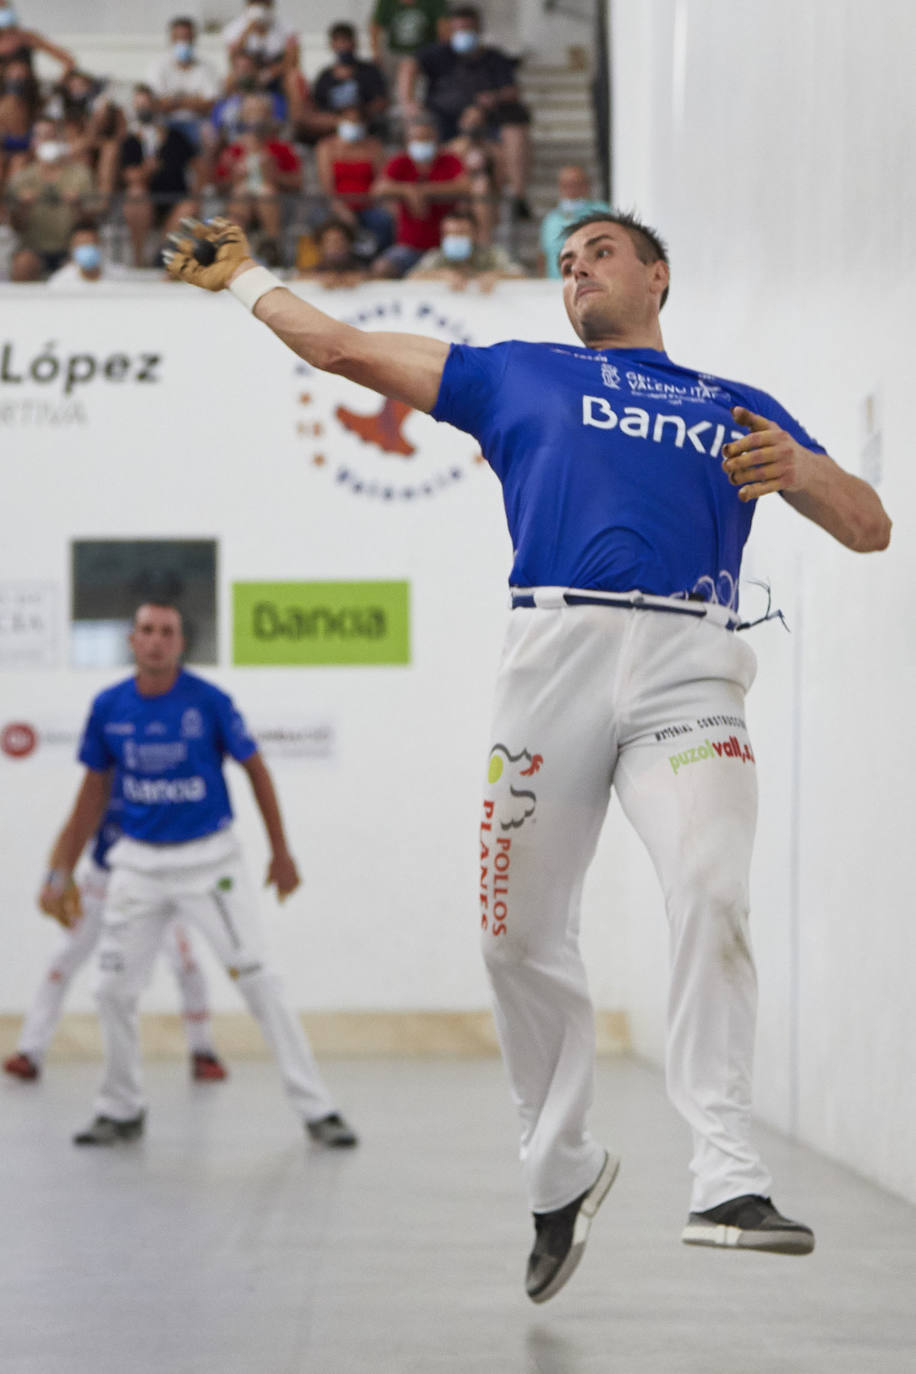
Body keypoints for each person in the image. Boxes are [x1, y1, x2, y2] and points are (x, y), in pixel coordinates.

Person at [164, 211, 890, 1296]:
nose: (576, 271)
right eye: (562, 263)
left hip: (692, 666)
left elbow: (868, 523)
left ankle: (727, 1177)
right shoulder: (518, 375)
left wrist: (800, 468)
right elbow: (341, 348)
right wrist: (244, 280)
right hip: (552, 657)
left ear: (656, 275)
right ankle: (560, 1176)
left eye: (597, 253)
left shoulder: (732, 404)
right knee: (516, 938)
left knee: (711, 889)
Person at [39, 600, 357, 1151]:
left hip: (211, 863)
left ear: (180, 644)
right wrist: (60, 870)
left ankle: (317, 1108)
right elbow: (92, 794)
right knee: (110, 988)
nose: (156, 640)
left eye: (167, 632)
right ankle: (120, 1109)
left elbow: (256, 770)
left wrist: (281, 853)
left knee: (259, 979)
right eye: (146, 631)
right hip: (136, 865)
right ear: (132, 641)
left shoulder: (209, 702)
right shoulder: (109, 706)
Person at [5, 783, 228, 1083]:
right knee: (61, 961)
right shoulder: (105, 783)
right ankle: (29, 1052)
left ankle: (203, 1051)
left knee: (188, 965)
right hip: (101, 885)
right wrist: (54, 879)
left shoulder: (167, 790)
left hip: (153, 889)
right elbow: (72, 832)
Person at [400, 4, 531, 216]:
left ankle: (515, 200)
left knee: (499, 156)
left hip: (488, 132)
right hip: (447, 128)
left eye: (467, 29)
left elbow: (512, 90)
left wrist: (487, 102)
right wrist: (408, 102)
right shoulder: (438, 55)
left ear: (478, 30)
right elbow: (409, 64)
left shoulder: (494, 58)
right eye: (458, 29)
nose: (462, 34)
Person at [370, 113, 468, 278]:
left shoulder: (449, 160)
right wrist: (408, 190)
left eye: (426, 138)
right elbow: (378, 189)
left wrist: (425, 191)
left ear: (435, 139)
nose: (421, 143)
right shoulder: (401, 162)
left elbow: (465, 186)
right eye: (417, 138)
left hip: (443, 249)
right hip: (410, 247)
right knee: (381, 268)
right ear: (409, 140)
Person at [214, 92, 302, 265]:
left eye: (259, 112)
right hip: (241, 203)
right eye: (250, 112)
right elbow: (219, 185)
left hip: (278, 204)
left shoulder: (281, 149)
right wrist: (234, 176)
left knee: (266, 193)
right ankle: (233, 254)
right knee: (241, 193)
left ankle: (273, 248)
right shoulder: (233, 150)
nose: (255, 118)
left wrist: (274, 175)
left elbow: (297, 182)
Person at [6, 117, 98, 280]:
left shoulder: (80, 174)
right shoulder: (21, 178)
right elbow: (15, 226)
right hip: (34, 248)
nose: (46, 140)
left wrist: (78, 206)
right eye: (41, 136)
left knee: (87, 246)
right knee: (23, 263)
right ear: (33, 142)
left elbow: (91, 220)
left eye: (51, 135)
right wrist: (23, 207)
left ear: (60, 140)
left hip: (69, 246)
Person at [117, 85, 198, 268]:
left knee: (189, 206)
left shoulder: (176, 137)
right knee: (135, 196)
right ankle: (138, 261)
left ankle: (162, 254)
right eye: (139, 105)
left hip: (174, 199)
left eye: (147, 104)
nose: (144, 109)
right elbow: (132, 177)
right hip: (147, 201)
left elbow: (196, 165)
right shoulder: (130, 141)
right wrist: (149, 168)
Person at [314, 104, 393, 258]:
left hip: (369, 205)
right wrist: (341, 208)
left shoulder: (373, 147)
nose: (353, 124)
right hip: (337, 204)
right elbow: (327, 186)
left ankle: (376, 261)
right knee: (323, 223)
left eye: (357, 121)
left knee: (383, 221)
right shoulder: (326, 147)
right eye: (348, 120)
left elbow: (382, 180)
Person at [407, 203, 523, 289]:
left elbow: (520, 275)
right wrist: (441, 275)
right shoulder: (437, 256)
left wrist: (496, 276)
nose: (455, 237)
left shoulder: (491, 255)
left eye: (462, 232)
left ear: (475, 234)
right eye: (450, 233)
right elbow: (412, 277)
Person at [147, 16, 220, 149]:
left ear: (194, 39)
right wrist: (194, 100)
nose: (183, 42)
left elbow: (210, 104)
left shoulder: (206, 67)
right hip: (166, 122)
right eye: (179, 37)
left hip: (197, 122)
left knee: (210, 135)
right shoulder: (158, 67)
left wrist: (175, 101)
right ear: (171, 39)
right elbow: (157, 104)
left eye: (187, 37)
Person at [312, 22, 389, 137]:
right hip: (332, 125)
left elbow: (381, 101)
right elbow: (316, 105)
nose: (343, 46)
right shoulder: (325, 75)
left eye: (345, 41)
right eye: (338, 42)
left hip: (364, 121)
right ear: (332, 45)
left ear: (354, 43)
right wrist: (342, 119)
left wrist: (359, 114)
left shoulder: (369, 71)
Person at [537, 164, 610, 279]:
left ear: (586, 185)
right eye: (565, 185)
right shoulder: (551, 219)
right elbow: (543, 256)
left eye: (575, 184)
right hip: (556, 285)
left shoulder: (602, 212)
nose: (570, 189)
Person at [46, 220, 128, 289]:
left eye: (90, 244)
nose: (86, 249)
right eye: (81, 245)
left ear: (100, 246)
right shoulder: (59, 283)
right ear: (71, 250)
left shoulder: (120, 277)